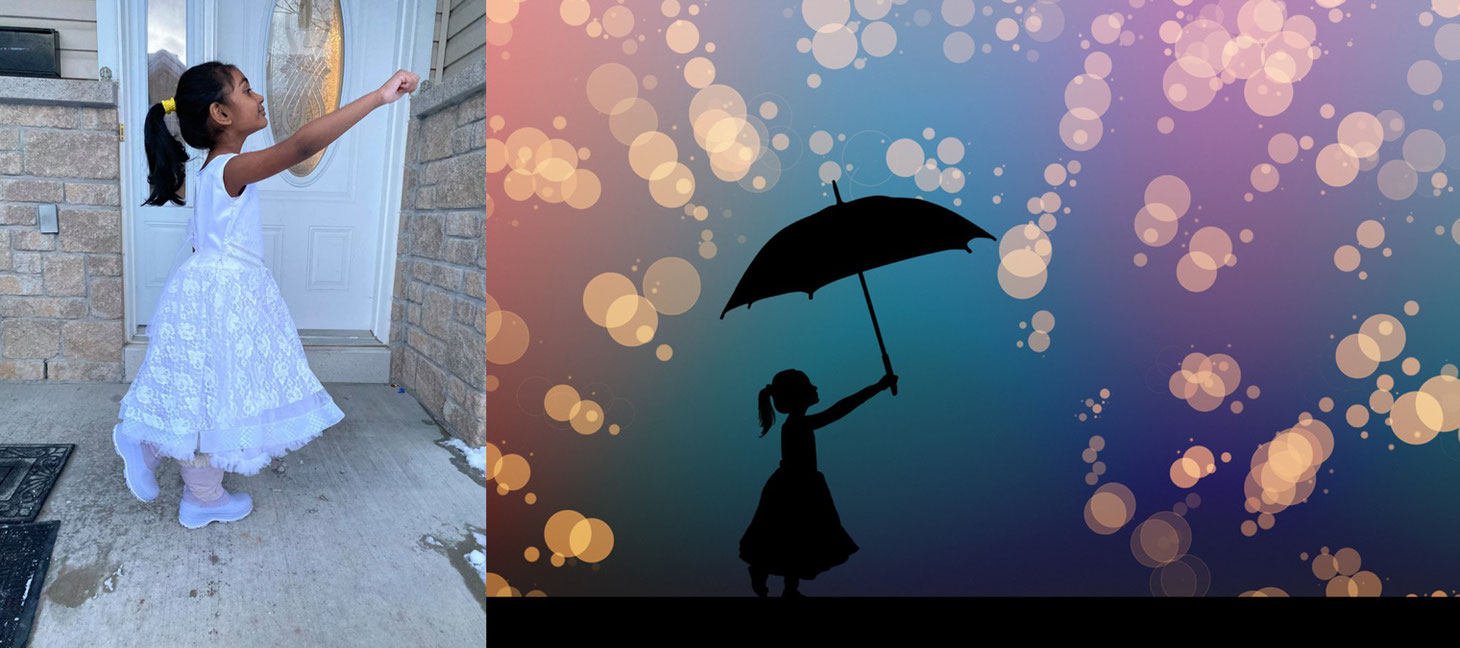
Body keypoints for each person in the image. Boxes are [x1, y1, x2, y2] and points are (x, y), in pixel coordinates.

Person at [111, 61, 420, 529]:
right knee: (217, 390)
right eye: (247, 90)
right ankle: (192, 486)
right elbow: (302, 145)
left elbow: (203, 241)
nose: (259, 98)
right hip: (223, 298)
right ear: (221, 113)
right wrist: (378, 97)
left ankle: (170, 463)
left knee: (213, 391)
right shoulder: (232, 168)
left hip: (216, 293)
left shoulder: (213, 171)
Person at [739, 369, 897, 596]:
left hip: (801, 484)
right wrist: (877, 387)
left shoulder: (798, 423)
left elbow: (839, 409)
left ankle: (788, 588)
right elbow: (840, 409)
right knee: (792, 534)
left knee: (799, 536)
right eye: (808, 385)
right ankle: (764, 572)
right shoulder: (797, 424)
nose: (815, 388)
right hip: (794, 487)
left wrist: (878, 387)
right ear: (797, 395)